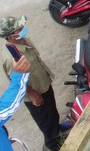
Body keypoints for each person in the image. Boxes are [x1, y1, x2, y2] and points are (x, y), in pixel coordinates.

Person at [0, 16, 59, 150]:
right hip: (35, 94)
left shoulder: (24, 41)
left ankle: (58, 131)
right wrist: (33, 95)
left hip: (43, 84)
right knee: (46, 124)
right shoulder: (11, 59)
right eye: (19, 28)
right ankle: (53, 145)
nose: (23, 29)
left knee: (52, 114)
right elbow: (16, 82)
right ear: (10, 36)